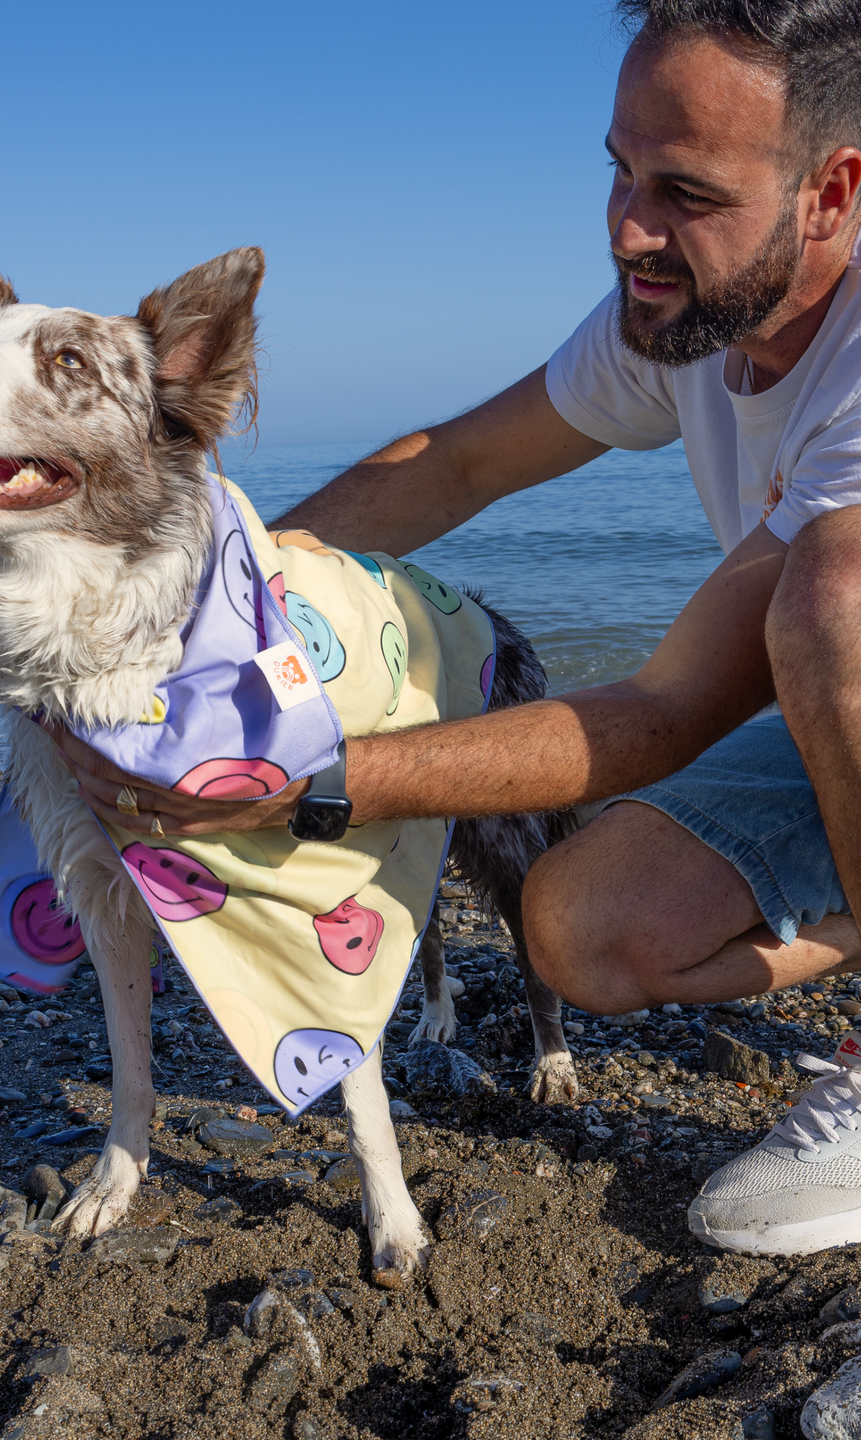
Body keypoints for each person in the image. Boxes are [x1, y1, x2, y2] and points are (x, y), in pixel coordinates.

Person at [45, 0, 861, 1257]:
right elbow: (462, 462)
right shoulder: (684, 313)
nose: (630, 230)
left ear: (832, 189)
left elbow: (660, 712)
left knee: (836, 597)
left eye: (686, 191)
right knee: (579, 929)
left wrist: (309, 785)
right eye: (619, 171)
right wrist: (224, 595)